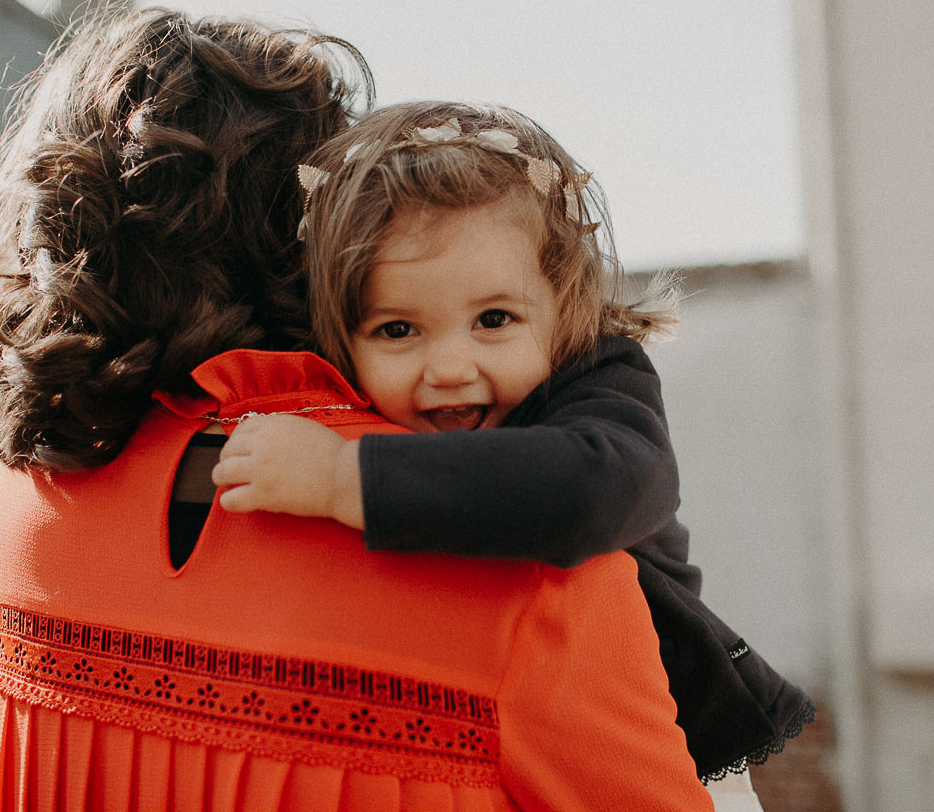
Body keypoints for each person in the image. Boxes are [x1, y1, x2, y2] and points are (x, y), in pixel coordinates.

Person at [0, 6, 712, 811]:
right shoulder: (527, 570)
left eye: (494, 319)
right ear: (315, 244)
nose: (454, 366)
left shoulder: (20, 507)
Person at [211, 101, 814, 800]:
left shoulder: (602, 389)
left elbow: (588, 491)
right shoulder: (361, 410)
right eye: (398, 330)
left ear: (563, 306)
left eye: (493, 320)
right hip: (506, 743)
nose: (449, 366)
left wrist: (340, 478)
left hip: (662, 742)